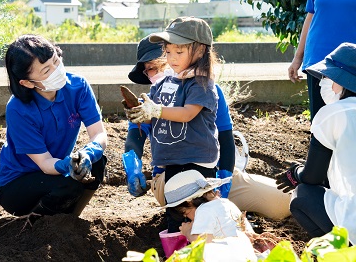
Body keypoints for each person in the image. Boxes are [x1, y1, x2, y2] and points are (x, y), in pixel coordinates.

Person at [124, 34, 291, 220]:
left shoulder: (206, 90)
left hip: (213, 173)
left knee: (284, 203)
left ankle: (226, 210)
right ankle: (200, 217)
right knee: (198, 211)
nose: (153, 75)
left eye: (156, 67)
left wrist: (225, 179)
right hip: (172, 180)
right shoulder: (148, 103)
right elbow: (135, 137)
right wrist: (133, 167)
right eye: (148, 71)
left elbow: (225, 138)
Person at [0, 34, 108, 219]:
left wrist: (89, 152)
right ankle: (36, 226)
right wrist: (67, 164)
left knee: (97, 163)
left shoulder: (78, 86)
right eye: (47, 70)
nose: (57, 70)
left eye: (56, 60)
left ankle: (71, 220)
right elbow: (45, 164)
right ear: (27, 82)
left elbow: (99, 134)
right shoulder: (18, 109)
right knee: (68, 184)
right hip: (18, 184)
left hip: (53, 173)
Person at [125, 16, 220, 233]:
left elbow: (187, 114)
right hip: (172, 162)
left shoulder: (200, 83)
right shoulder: (167, 82)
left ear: (200, 51)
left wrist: (156, 110)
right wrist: (142, 113)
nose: (172, 58)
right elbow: (154, 116)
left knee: (197, 215)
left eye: (179, 52)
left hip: (195, 161)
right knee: (176, 216)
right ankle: (178, 250)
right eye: (168, 52)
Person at [277, 42, 356, 245]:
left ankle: (340, 253)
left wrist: (295, 173)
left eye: (328, 77)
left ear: (343, 81)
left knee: (302, 195)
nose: (324, 82)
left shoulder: (334, 114)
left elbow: (312, 178)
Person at [287, 0, 356, 120]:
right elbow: (311, 16)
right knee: (320, 123)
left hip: (351, 62)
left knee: (350, 123)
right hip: (318, 60)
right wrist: (298, 57)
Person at [163, 170, 254, 243]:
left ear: (189, 202)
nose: (187, 217)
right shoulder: (227, 203)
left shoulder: (204, 210)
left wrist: (187, 232)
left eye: (186, 213)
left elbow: (202, 244)